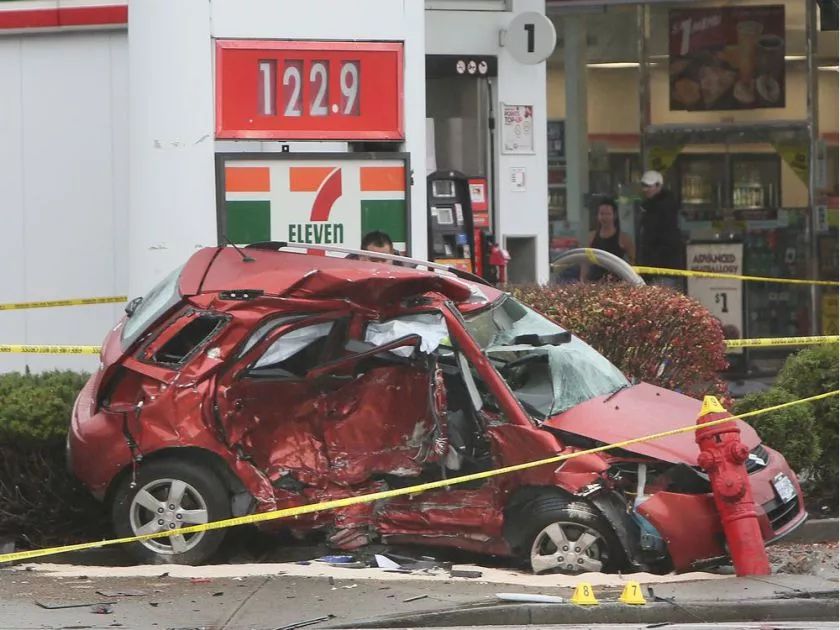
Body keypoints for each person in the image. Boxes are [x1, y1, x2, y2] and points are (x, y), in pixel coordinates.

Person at [638, 170, 683, 287]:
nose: (645, 189)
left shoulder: (663, 209)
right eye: (644, 186)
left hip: (662, 267)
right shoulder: (650, 208)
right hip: (654, 267)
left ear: (659, 186)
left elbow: (659, 237)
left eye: (648, 186)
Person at [580, 198, 635, 282]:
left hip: (616, 283)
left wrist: (628, 280)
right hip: (595, 282)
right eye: (602, 214)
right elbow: (585, 262)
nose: (604, 217)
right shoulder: (591, 236)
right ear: (598, 215)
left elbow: (633, 260)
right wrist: (582, 279)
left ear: (615, 215)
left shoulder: (623, 238)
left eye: (608, 214)